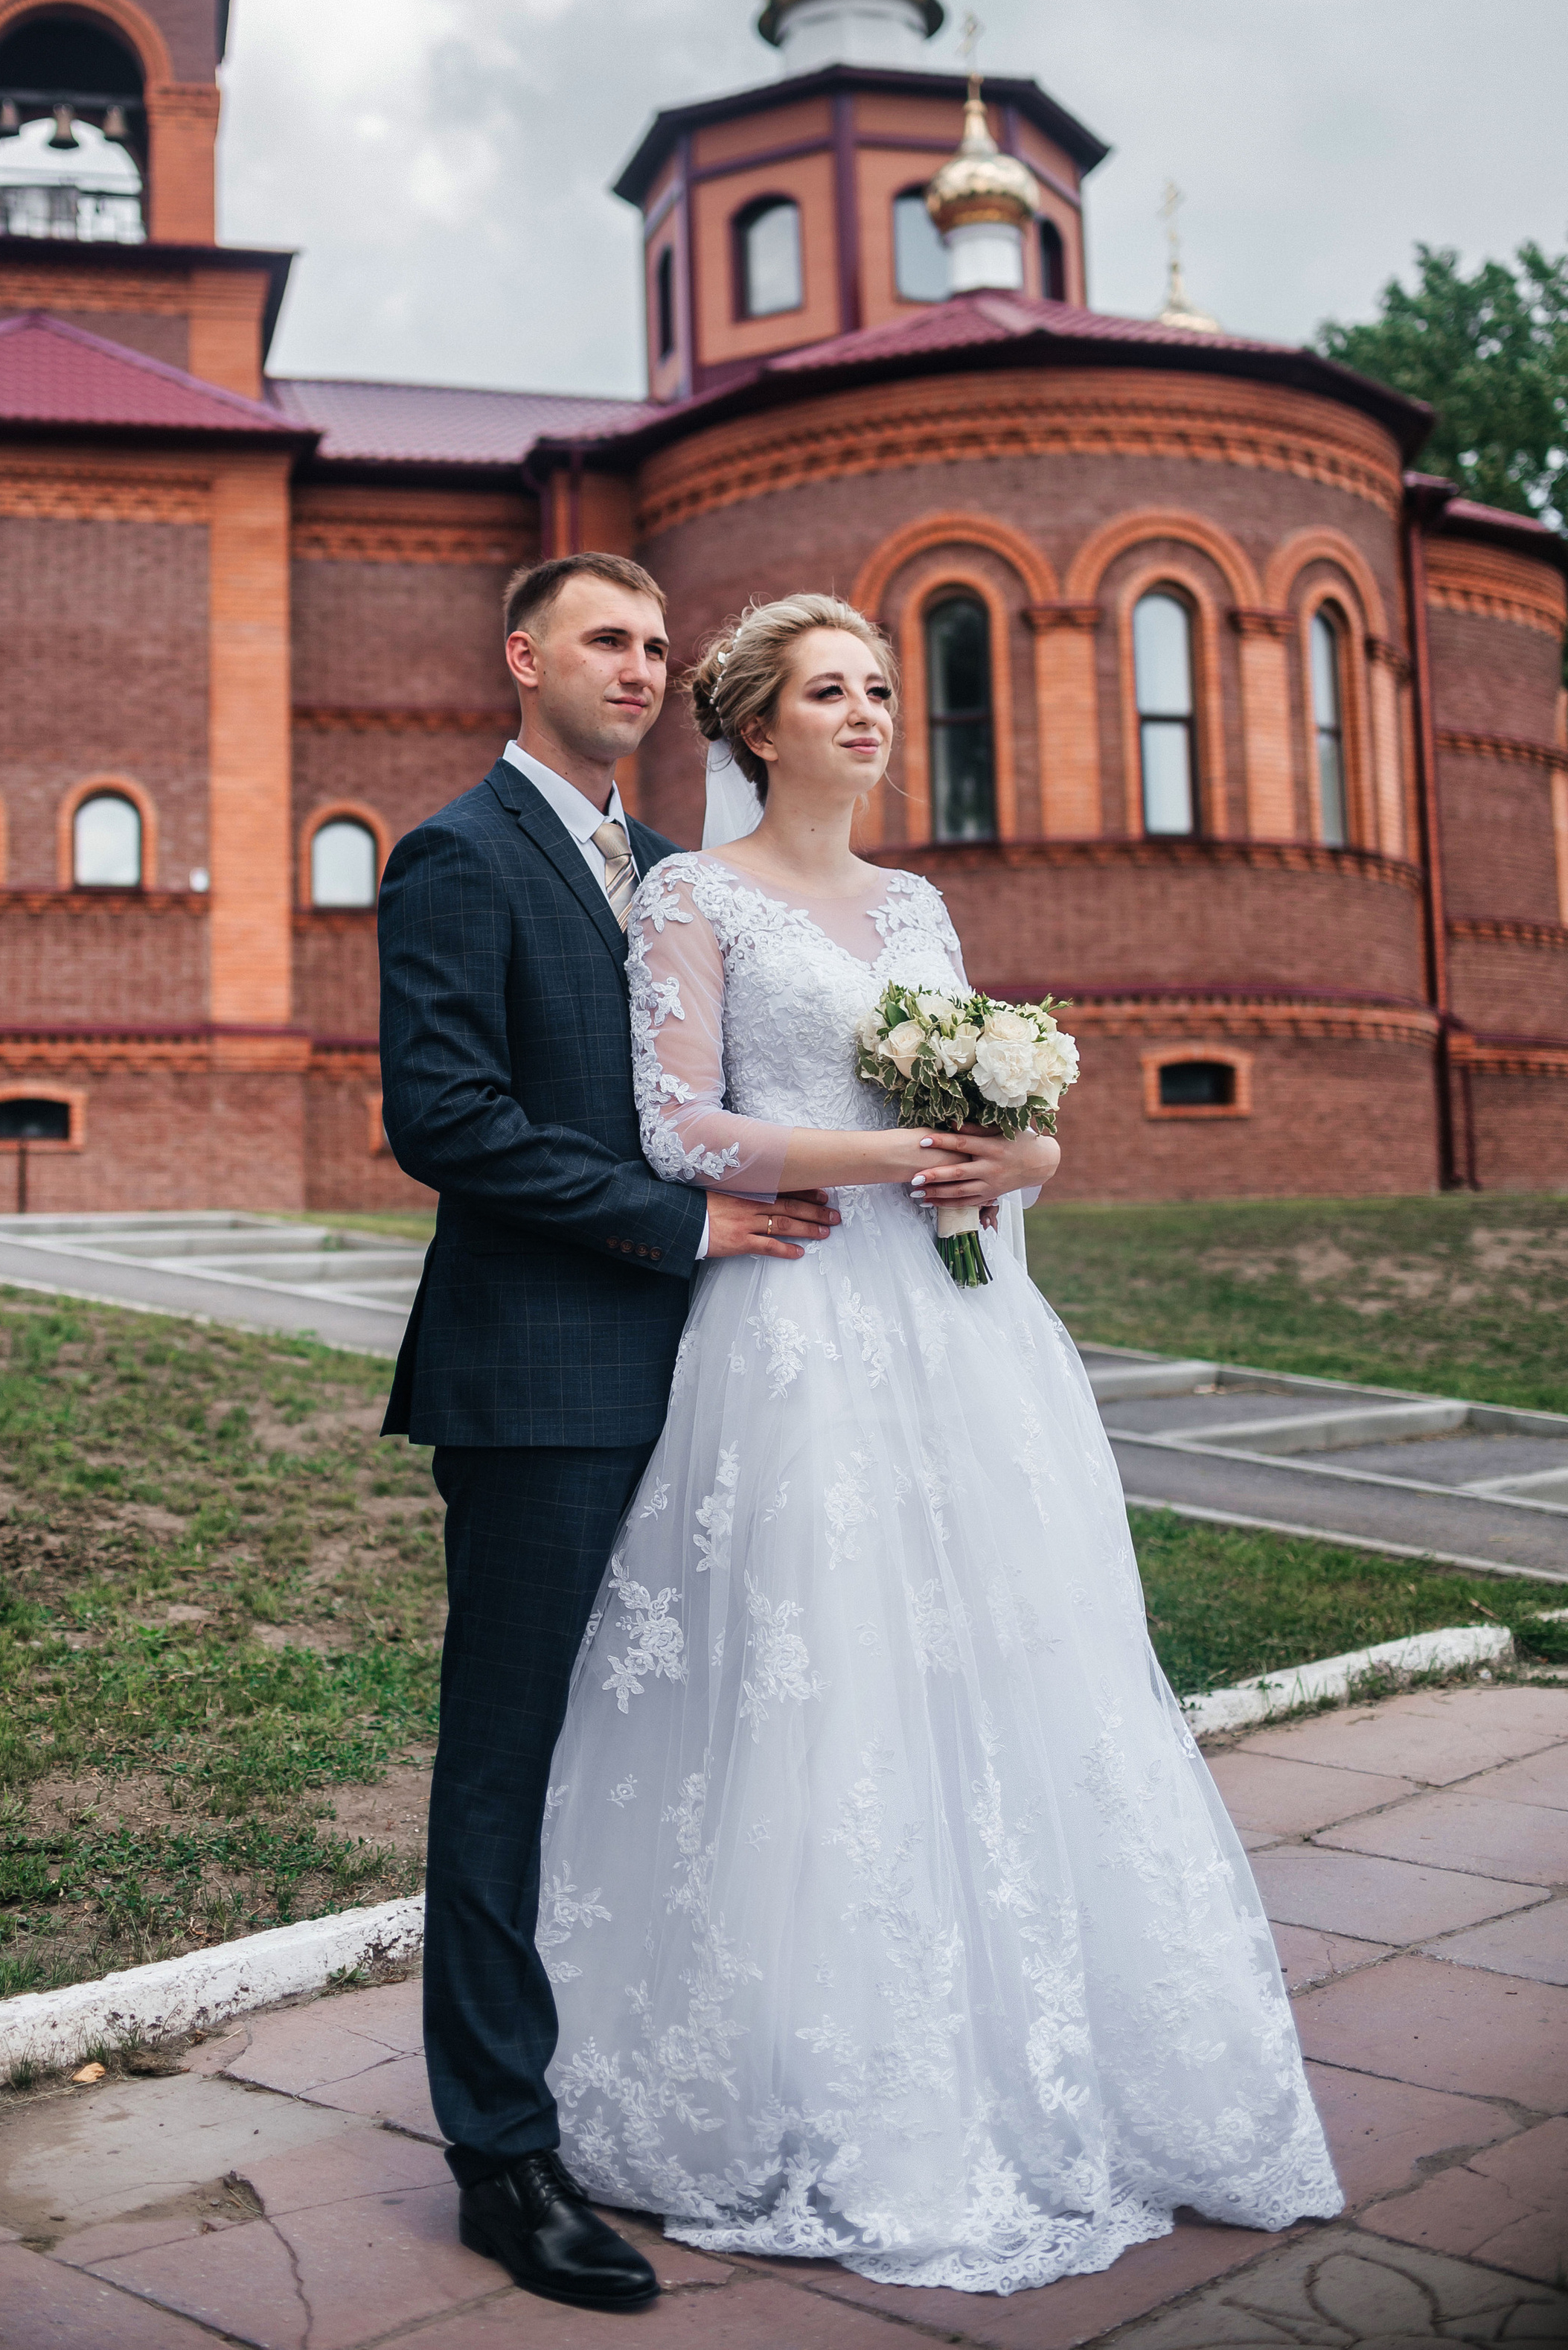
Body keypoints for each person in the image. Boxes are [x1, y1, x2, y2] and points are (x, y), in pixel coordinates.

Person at [537, 591, 1342, 2297]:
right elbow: (673, 1122)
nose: (869, 712)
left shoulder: (916, 904)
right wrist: (886, 1155)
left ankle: (1054, 2064)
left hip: (967, 1339)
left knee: (1008, 1671)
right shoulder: (693, 896)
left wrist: (1016, 1160)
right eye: (830, 690)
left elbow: (1016, 1121)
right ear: (755, 726)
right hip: (803, 1324)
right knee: (826, 1679)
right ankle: (834, 2086)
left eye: (882, 688)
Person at [377, 554, 843, 2316]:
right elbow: (449, 1119)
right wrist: (680, 1225)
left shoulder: (679, 879)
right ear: (522, 659)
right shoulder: (455, 857)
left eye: (658, 646)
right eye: (605, 641)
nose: (640, 668)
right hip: (542, 1384)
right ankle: (500, 2153)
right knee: (506, 1758)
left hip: (729, 1373)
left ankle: (653, 2078)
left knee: (685, 1742)